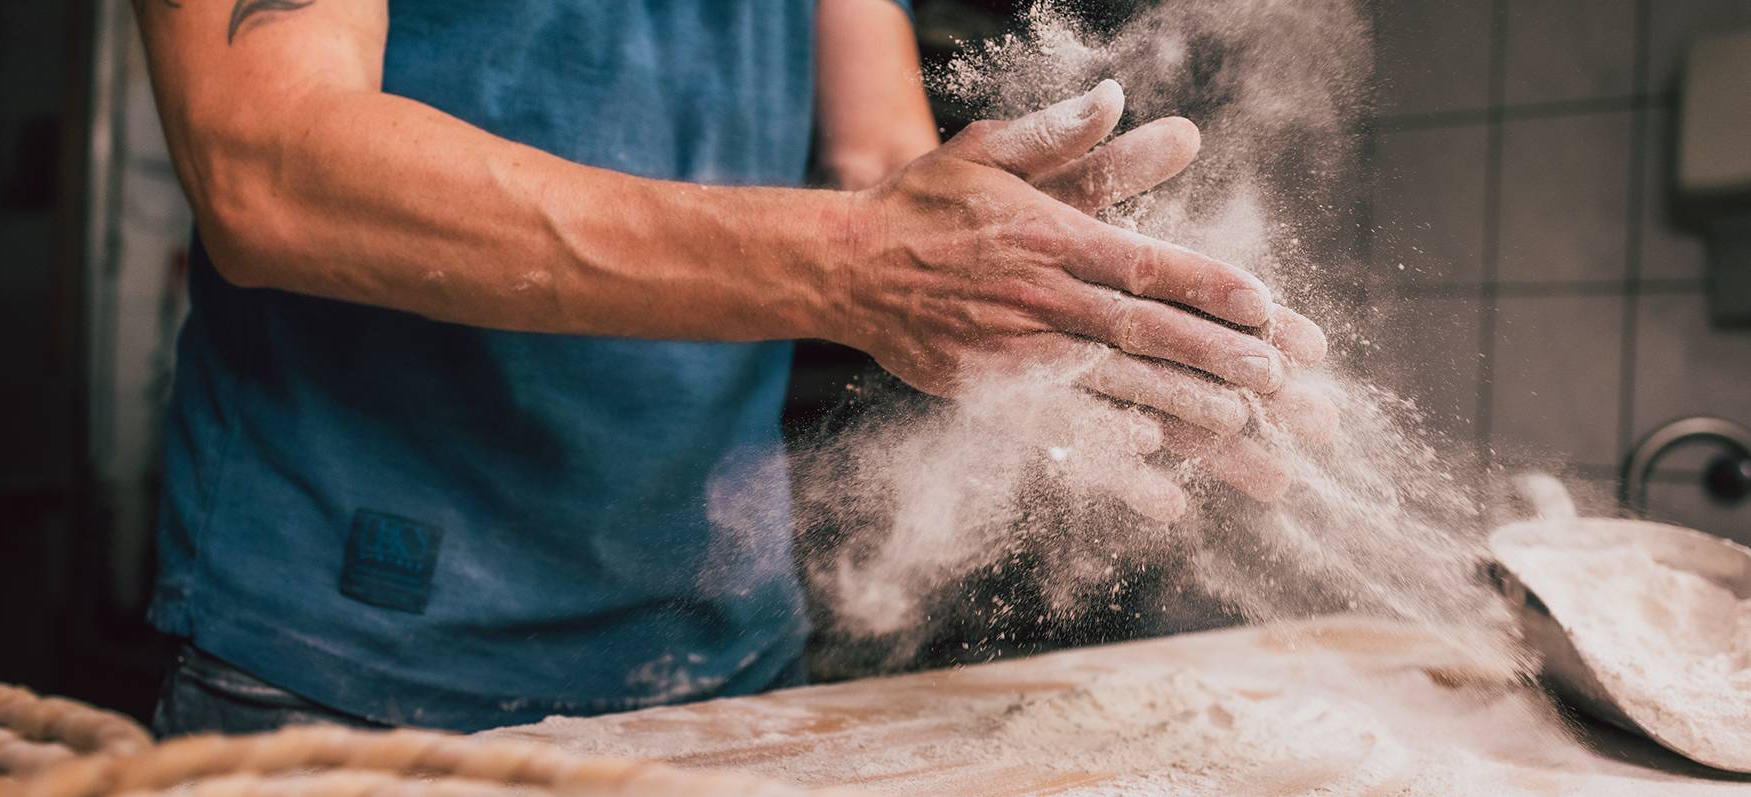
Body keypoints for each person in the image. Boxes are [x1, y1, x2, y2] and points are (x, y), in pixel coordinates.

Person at [133, 0, 1326, 736]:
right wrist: (859, 262)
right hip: (351, 652)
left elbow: (881, 167)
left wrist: (1042, 300)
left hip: (724, 643)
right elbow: (264, 165)